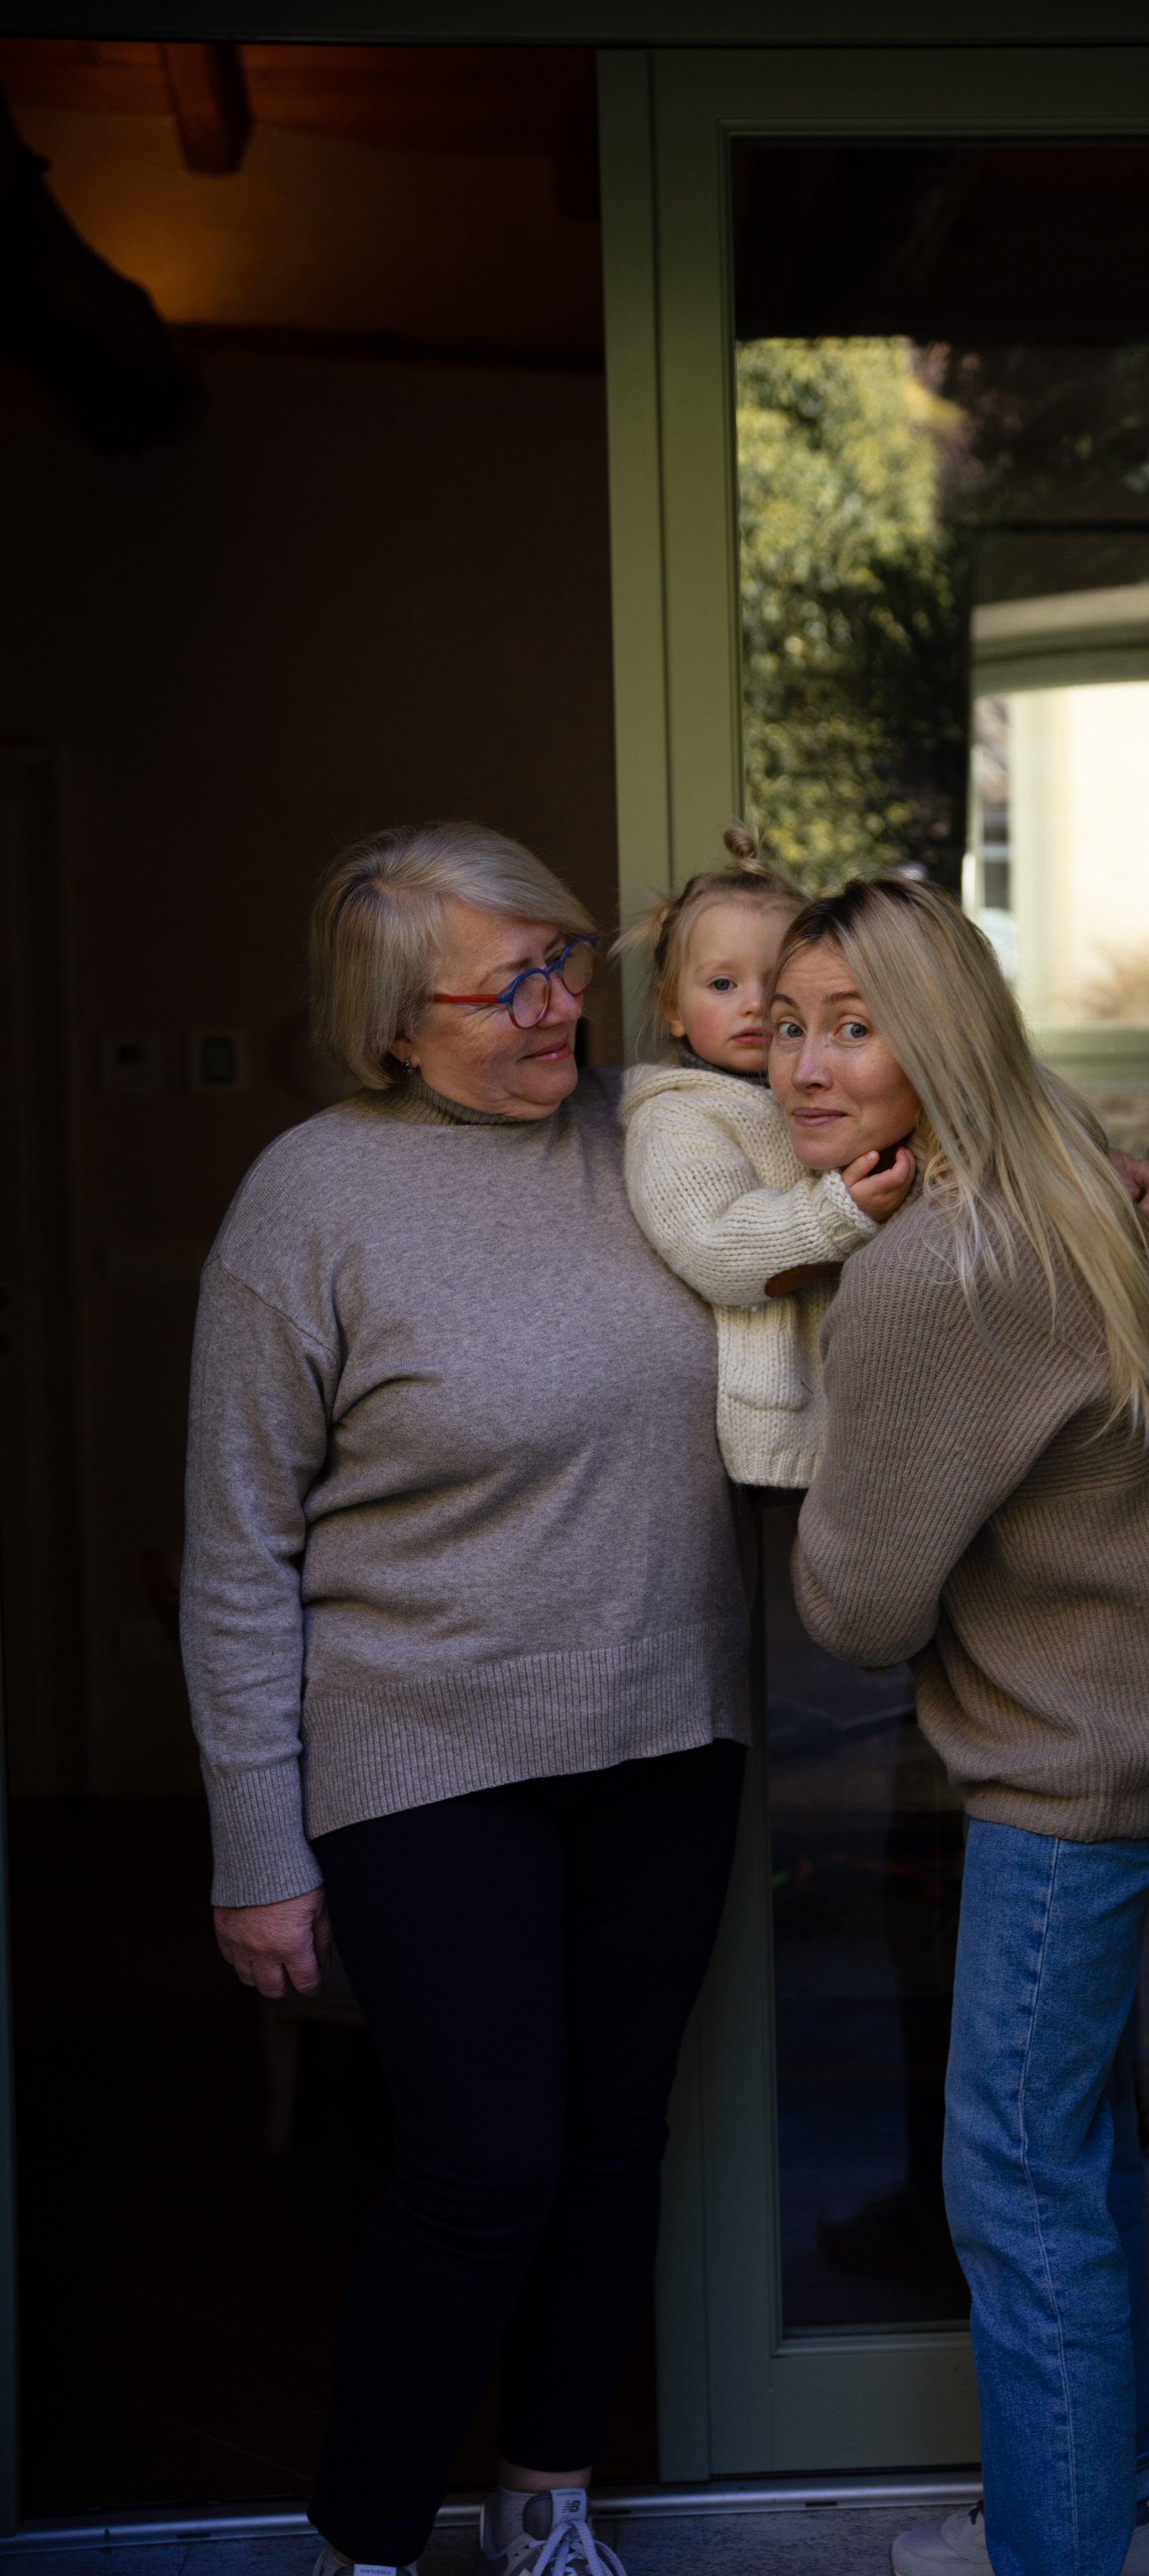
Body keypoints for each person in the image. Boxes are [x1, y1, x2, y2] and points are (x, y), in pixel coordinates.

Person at [180, 822, 751, 2576]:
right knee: (485, 2159)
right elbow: (237, 1543)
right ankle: (365, 2538)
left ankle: (549, 2504)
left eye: (567, 960)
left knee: (611, 2145)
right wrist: (257, 1847)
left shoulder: (661, 1137)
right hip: (425, 1755)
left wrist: (1115, 1195)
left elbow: (899, 1155)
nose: (556, 1006)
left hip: (667, 1733)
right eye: (506, 983)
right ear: (388, 1021)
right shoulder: (311, 1197)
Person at [769, 875, 1149, 2576]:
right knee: (1074, 2152)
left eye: (852, 1023)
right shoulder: (1058, 1164)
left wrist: (818, 1326)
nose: (805, 1066)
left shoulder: (928, 1269)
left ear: (937, 1036)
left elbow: (853, 1609)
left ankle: (1058, 2553)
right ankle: (1100, 2515)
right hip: (1134, 1731)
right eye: (785, 1025)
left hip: (1061, 1773)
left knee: (1011, 2190)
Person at [620, 828, 1149, 1494]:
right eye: (725, 985)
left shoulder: (863, 1094)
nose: (753, 1005)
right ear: (671, 1007)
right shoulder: (675, 1116)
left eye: (848, 1025)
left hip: (900, 1429)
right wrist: (836, 1213)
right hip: (788, 1445)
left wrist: (1095, 1169)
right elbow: (714, 1248)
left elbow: (987, 1092)